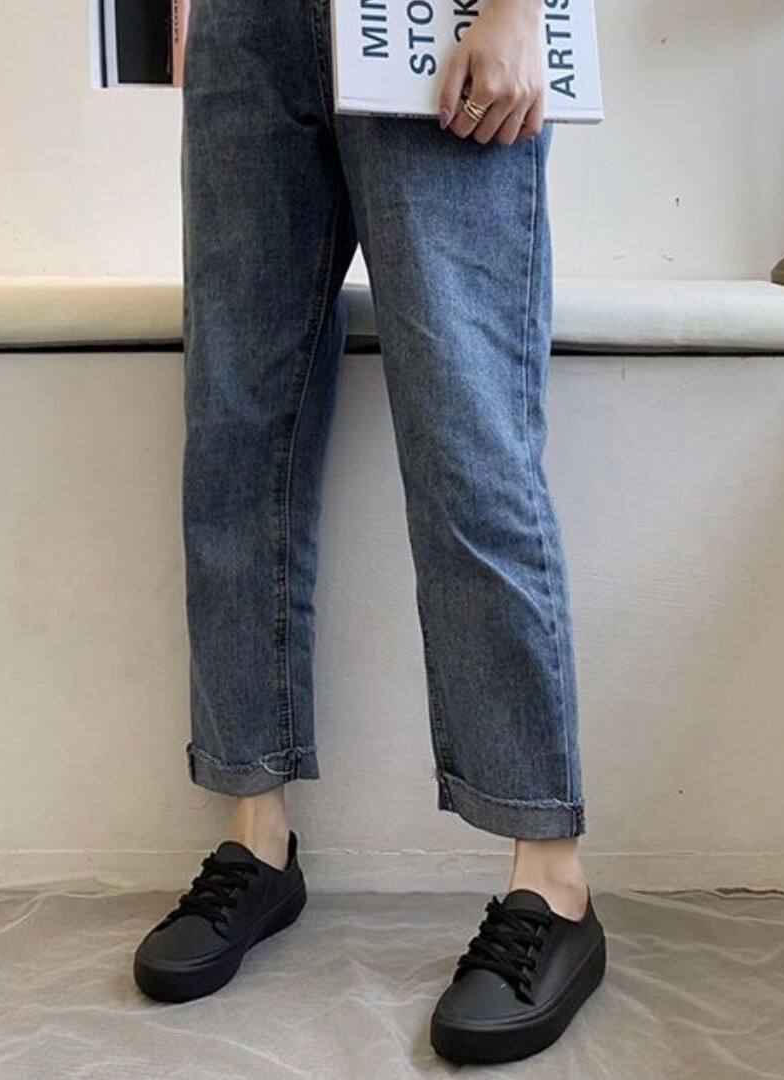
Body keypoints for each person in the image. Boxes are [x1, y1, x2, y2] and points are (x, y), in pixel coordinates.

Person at [133, 0, 607, 1063]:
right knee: (235, 432)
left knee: (469, 442)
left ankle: (554, 884)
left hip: (433, 18)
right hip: (246, 29)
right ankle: (257, 841)